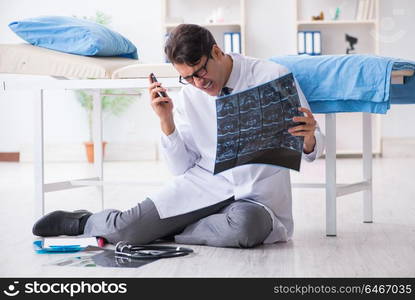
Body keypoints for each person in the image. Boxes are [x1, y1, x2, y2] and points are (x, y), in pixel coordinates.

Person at [32, 24, 325, 248]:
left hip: (256, 198)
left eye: (201, 72)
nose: (199, 83)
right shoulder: (190, 94)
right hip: (205, 184)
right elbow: (180, 168)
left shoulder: (272, 76)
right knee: (127, 231)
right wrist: (166, 121)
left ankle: (168, 230)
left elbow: (313, 151)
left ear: (217, 52)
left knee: (246, 229)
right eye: (188, 77)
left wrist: (310, 137)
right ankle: (84, 221)